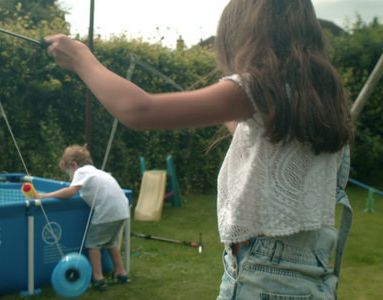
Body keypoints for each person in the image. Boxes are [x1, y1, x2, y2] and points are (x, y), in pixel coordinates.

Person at [44, 1, 354, 298]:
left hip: (262, 273)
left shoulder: (258, 88)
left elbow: (138, 111)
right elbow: (247, 130)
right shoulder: (319, 98)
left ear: (247, 34)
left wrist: (82, 59)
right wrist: (207, 105)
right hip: (309, 273)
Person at [36, 144, 131, 291]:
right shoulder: (96, 172)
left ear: (74, 165)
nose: (69, 176)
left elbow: (71, 192)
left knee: (93, 244)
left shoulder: (81, 172)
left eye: (68, 172)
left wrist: (46, 196)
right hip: (122, 209)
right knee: (111, 242)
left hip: (107, 211)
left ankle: (98, 278)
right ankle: (121, 272)